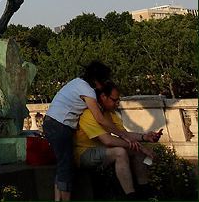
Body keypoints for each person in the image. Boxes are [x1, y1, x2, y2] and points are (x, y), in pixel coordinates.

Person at [43, 61, 137, 201]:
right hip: (60, 126)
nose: (104, 84)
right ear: (96, 79)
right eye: (104, 80)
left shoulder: (77, 83)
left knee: (63, 164)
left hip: (53, 123)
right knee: (66, 166)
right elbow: (100, 119)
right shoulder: (87, 91)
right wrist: (123, 135)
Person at [75, 81, 160, 200]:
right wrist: (141, 147)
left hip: (102, 150)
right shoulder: (89, 114)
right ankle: (130, 196)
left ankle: (144, 189)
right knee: (120, 152)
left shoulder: (110, 113)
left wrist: (144, 137)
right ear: (103, 97)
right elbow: (108, 140)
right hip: (84, 153)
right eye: (114, 100)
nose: (117, 104)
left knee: (135, 150)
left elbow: (124, 134)